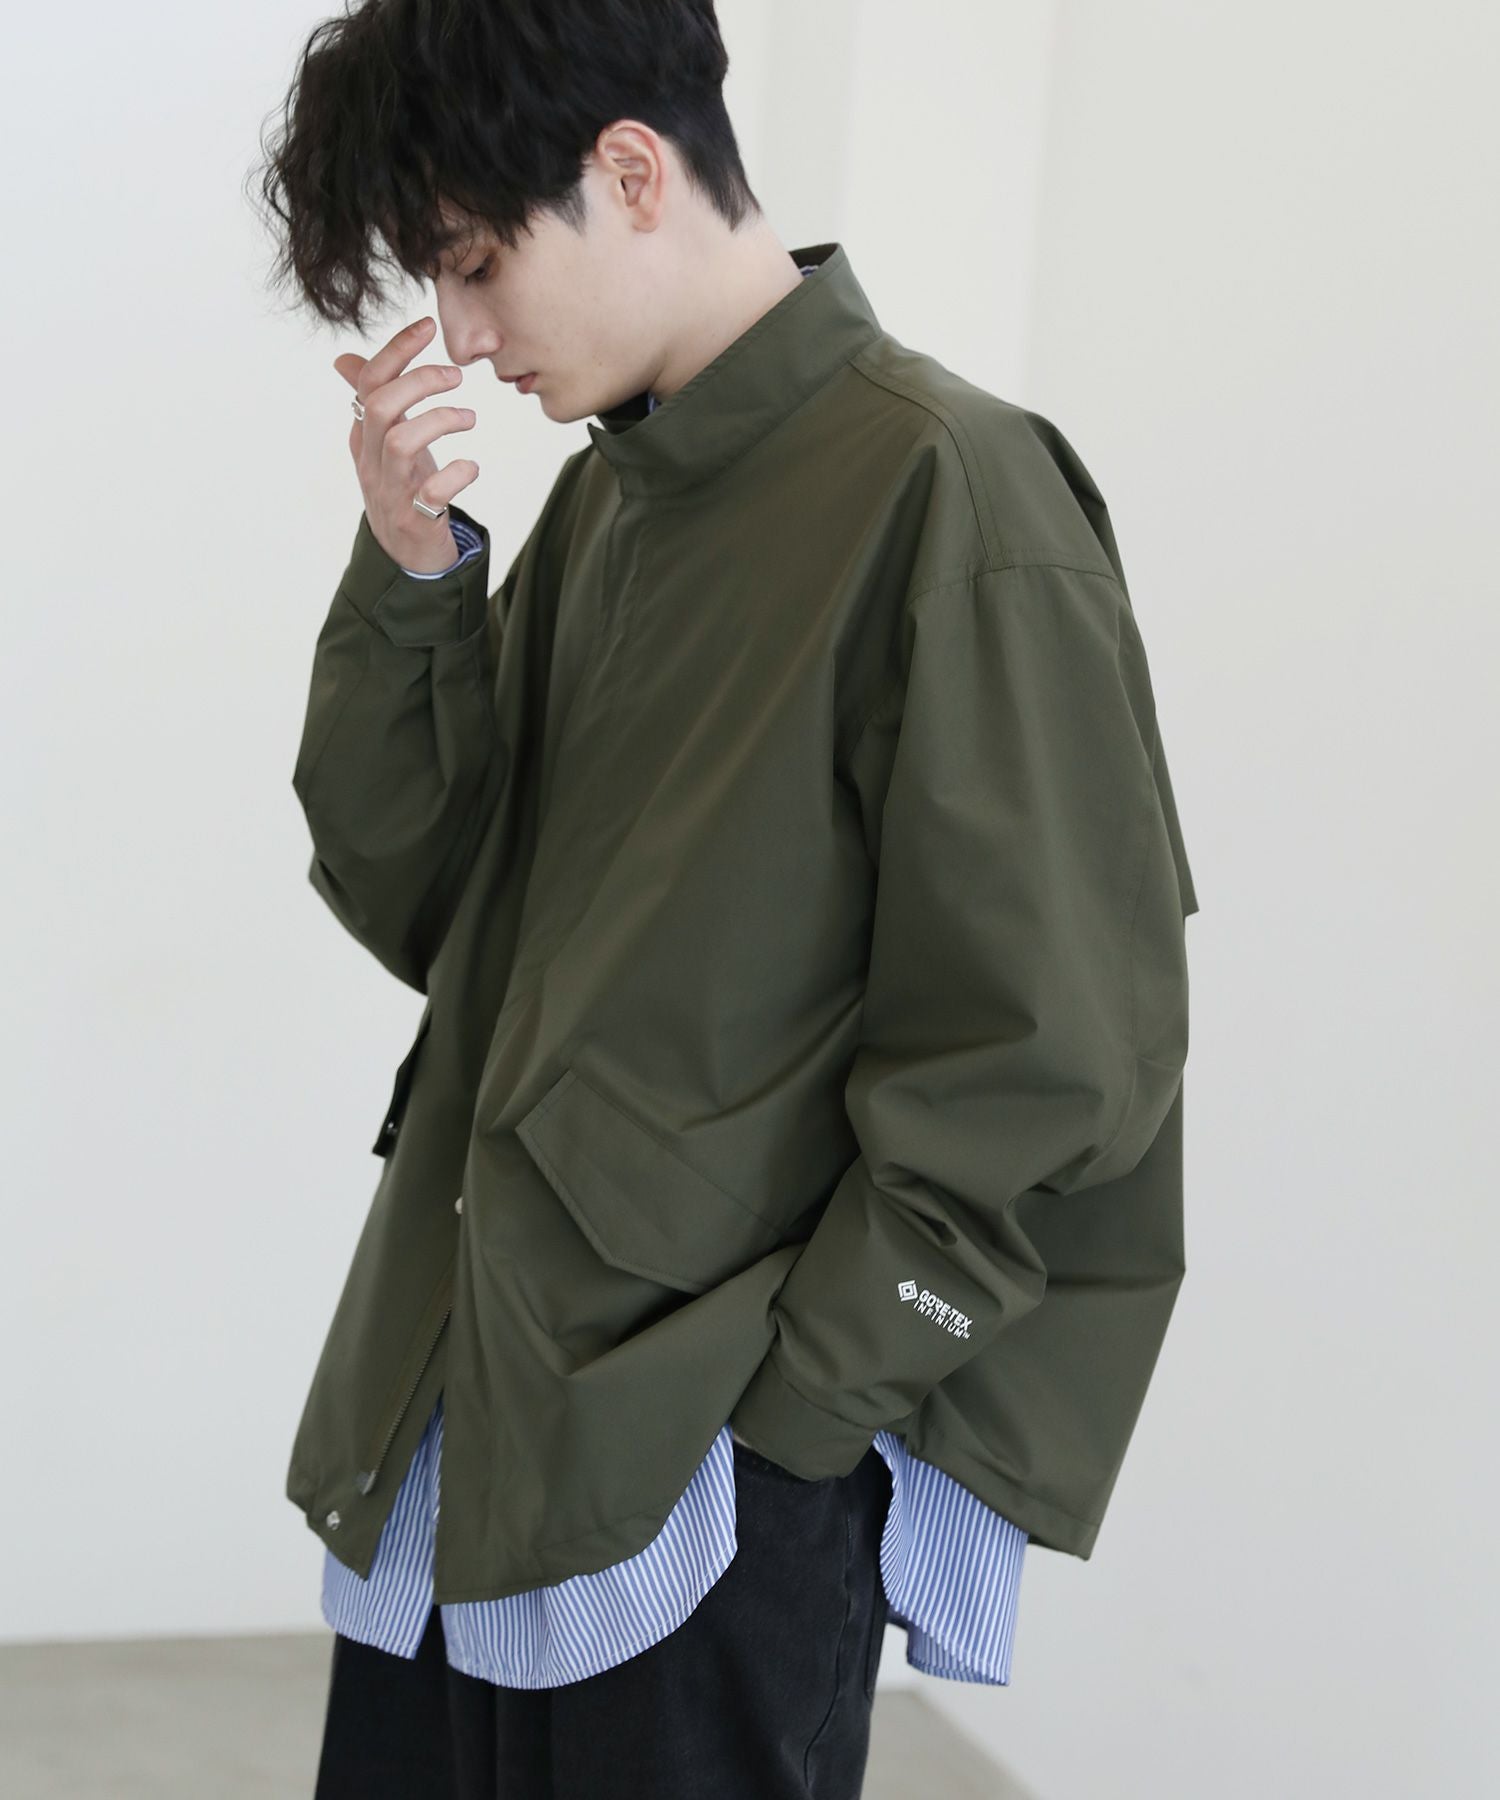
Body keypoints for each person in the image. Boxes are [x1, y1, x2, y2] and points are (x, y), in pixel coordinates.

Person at [249, 3, 1198, 1795]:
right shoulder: (614, 511)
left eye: (473, 261)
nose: (458, 332)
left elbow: (1054, 1053)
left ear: (630, 171)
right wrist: (412, 581)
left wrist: (801, 1417)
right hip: (478, 1407)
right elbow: (434, 907)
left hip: (704, 1474)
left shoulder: (953, 489)